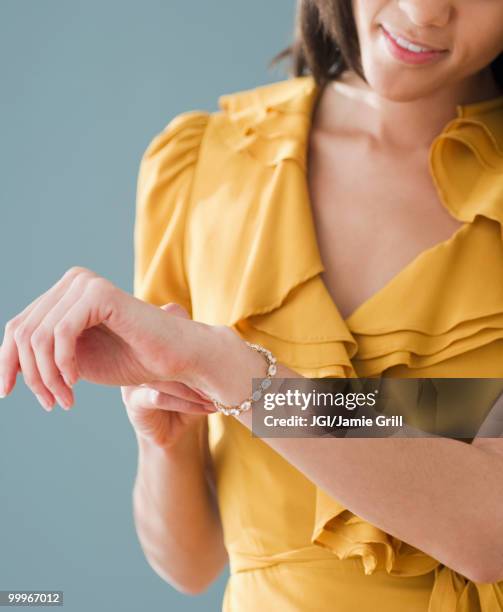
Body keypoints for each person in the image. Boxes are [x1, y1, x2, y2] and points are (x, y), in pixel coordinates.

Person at [1, 1, 503, 610]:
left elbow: (489, 528)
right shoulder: (202, 164)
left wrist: (238, 375)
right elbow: (192, 563)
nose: (425, 10)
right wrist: (163, 437)